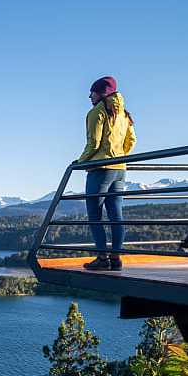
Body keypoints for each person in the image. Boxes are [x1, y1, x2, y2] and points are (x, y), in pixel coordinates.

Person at [75, 76, 136, 271]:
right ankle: (116, 259)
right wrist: (118, 156)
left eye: (92, 92)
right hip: (119, 169)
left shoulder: (97, 112)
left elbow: (93, 143)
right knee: (116, 215)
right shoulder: (124, 114)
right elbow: (131, 140)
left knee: (95, 214)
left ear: (101, 93)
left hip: (100, 170)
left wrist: (81, 162)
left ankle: (102, 258)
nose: (89, 96)